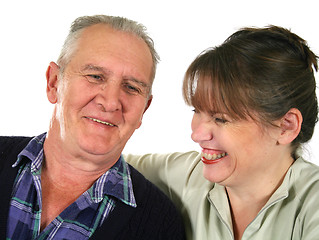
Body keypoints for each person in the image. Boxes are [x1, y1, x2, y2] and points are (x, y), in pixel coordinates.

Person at [0, 15, 185, 240]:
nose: (110, 102)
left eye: (131, 87)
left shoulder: (160, 225)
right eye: (95, 76)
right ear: (54, 83)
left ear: (143, 110)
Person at [125, 26, 319, 240]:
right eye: (196, 111)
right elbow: (100, 167)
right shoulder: (187, 177)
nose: (197, 135)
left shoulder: (313, 204)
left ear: (286, 126)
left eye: (221, 119)